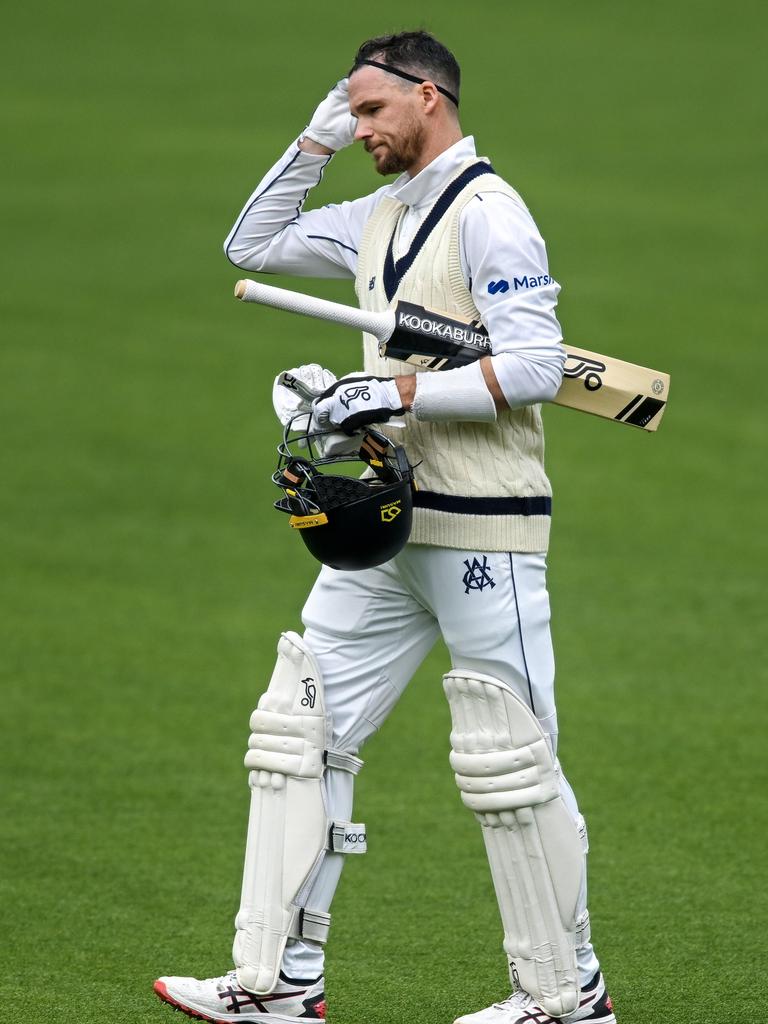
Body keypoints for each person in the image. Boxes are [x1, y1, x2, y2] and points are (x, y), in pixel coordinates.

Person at [154, 30, 616, 1024]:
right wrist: (311, 144)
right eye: (350, 113)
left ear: (430, 100)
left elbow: (534, 368)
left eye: (369, 111)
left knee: (512, 758)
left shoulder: (493, 217)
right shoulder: (376, 214)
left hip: (485, 527)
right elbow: (251, 244)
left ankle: (568, 997)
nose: (359, 127)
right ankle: (279, 984)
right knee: (299, 729)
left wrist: (392, 387)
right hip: (385, 523)